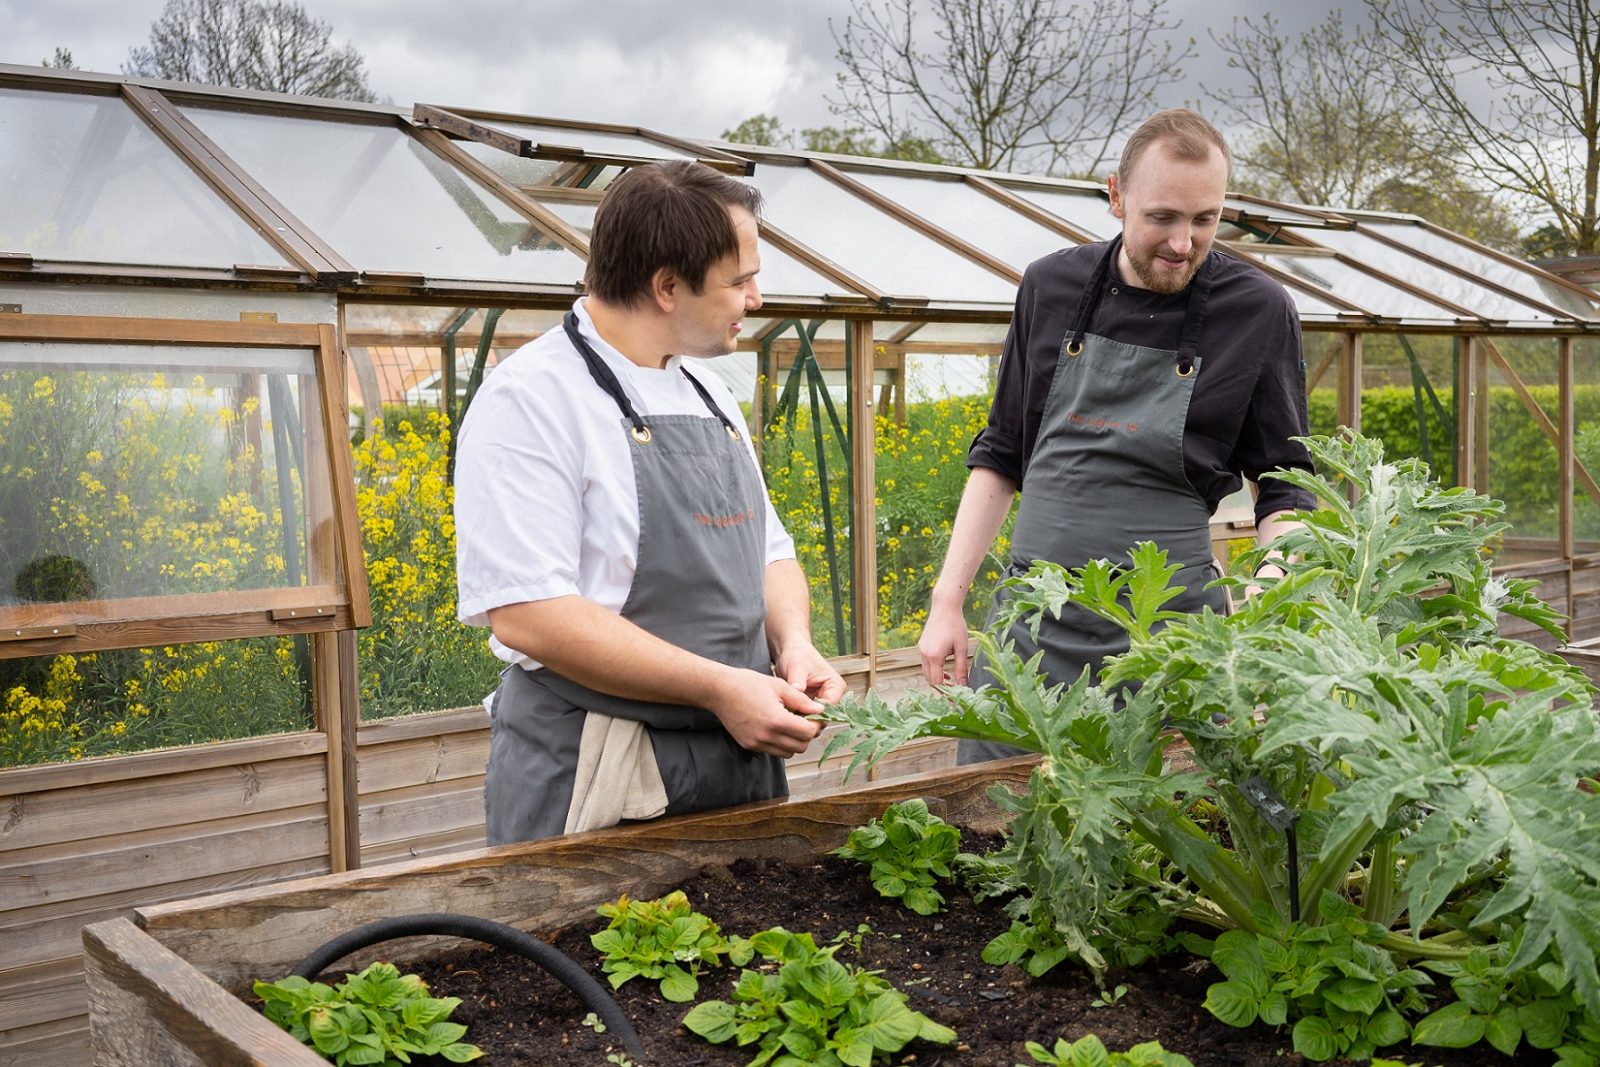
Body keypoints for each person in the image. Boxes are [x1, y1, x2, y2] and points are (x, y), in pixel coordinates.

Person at [454, 160, 845, 843]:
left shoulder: (708, 392)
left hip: (736, 756)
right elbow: (528, 613)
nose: (755, 299)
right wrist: (722, 687)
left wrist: (795, 645)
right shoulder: (531, 399)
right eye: (740, 281)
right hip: (600, 770)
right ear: (666, 285)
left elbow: (770, 553)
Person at [916, 109, 1316, 762]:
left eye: (1205, 220)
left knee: (1156, 845)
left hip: (1171, 653)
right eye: (1162, 217)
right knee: (995, 841)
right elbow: (1001, 454)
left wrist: (1267, 608)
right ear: (1115, 195)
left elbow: (1288, 489)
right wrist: (946, 600)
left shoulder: (1259, 311)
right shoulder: (1049, 287)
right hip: (1030, 642)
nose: (1183, 242)